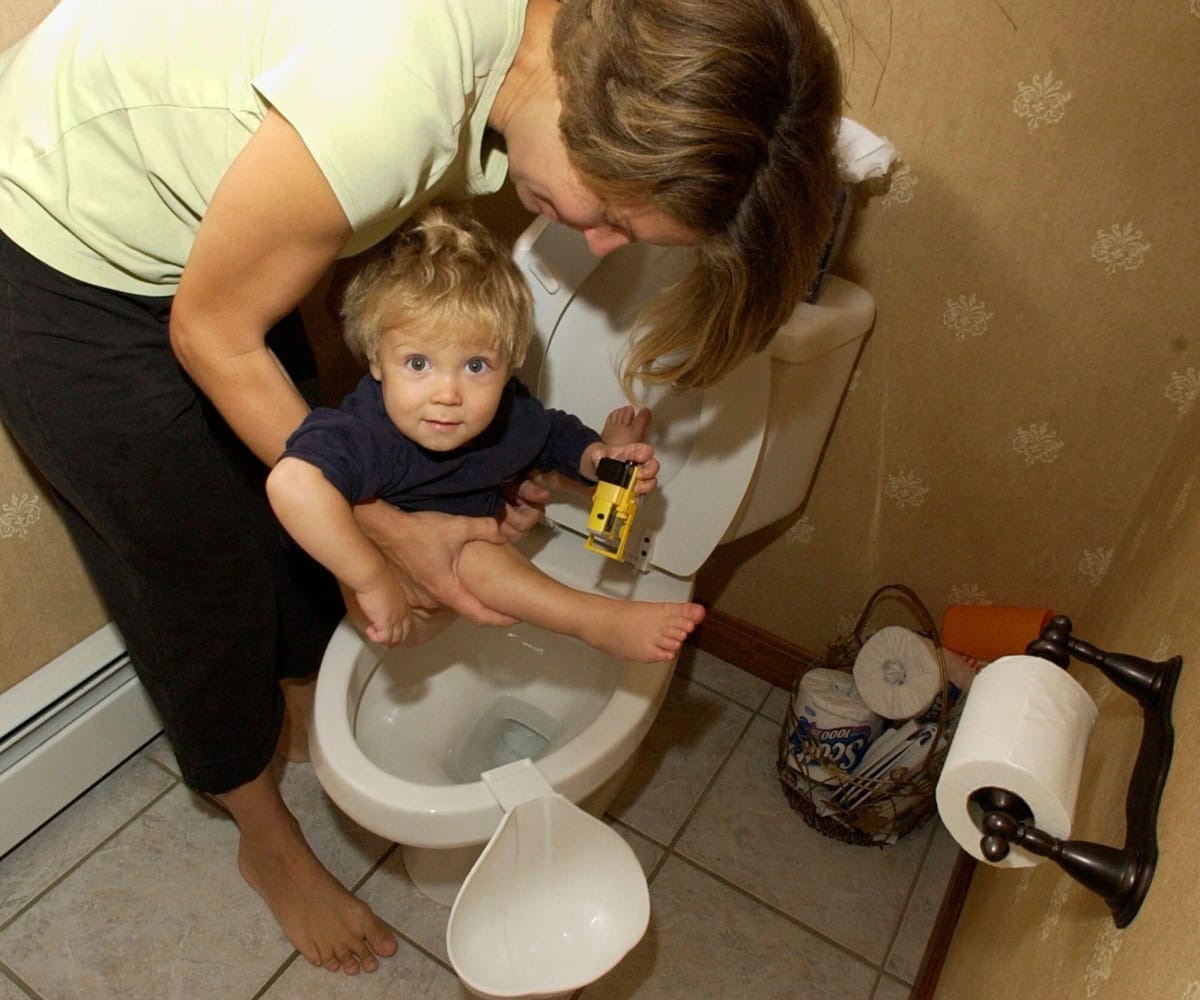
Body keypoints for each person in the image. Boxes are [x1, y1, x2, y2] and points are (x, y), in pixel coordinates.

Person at [0, 0, 841, 978]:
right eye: (610, 212)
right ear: (596, 96)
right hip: (54, 238)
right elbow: (214, 333)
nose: (604, 246)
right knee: (197, 570)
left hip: (202, 226)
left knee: (289, 503)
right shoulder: (391, 82)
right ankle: (262, 831)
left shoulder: (537, 47)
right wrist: (392, 532)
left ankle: (300, 694)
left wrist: (468, 485)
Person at [269, 206, 705, 658]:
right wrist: (370, 578)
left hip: (464, 585)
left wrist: (596, 457)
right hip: (396, 604)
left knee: (503, 523)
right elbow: (292, 483)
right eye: (418, 363)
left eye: (476, 366)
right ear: (377, 361)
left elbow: (553, 435)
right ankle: (595, 621)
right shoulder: (364, 432)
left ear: (508, 365)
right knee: (472, 553)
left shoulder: (507, 418)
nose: (447, 394)